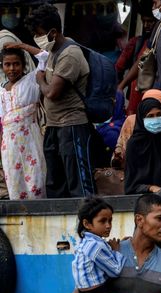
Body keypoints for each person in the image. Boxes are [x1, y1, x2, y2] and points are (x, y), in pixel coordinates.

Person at [25, 4, 95, 198]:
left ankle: (87, 221)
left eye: (39, 34)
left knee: (78, 182)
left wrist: (39, 79)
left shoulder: (69, 54)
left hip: (72, 125)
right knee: (55, 182)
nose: (37, 39)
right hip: (55, 125)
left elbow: (52, 92)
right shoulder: (55, 49)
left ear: (53, 32)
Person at [0, 47, 46, 200]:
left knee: (36, 180)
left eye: (16, 64)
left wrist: (21, 46)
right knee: (15, 182)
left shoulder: (32, 79)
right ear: (2, 66)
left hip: (30, 140)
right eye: (7, 64)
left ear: (24, 65)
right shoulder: (1, 91)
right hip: (9, 146)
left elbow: (44, 55)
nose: (12, 68)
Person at [112, 89, 161, 169]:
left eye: (159, 114)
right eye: (150, 115)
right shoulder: (132, 125)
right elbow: (121, 146)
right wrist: (118, 157)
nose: (155, 119)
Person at [116, 7, 156, 116]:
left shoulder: (160, 41)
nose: (146, 25)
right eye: (144, 21)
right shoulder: (136, 42)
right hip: (136, 95)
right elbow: (119, 66)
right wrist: (120, 86)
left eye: (150, 21)